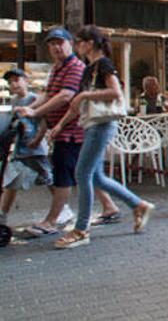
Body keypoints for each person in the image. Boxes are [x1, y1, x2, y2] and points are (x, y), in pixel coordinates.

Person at [51, 26, 155, 249]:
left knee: (82, 173)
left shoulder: (103, 64)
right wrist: (60, 125)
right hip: (92, 124)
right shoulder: (89, 69)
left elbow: (115, 93)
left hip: (102, 124)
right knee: (96, 177)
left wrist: (85, 94)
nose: (77, 46)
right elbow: (78, 103)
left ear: (90, 43)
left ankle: (81, 229)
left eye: (79, 42)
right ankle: (139, 205)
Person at [15, 27, 83, 237]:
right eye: (52, 44)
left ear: (70, 43)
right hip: (60, 129)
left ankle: (52, 221)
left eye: (59, 42)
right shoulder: (57, 68)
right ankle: (118, 207)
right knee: (91, 175)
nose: (55, 47)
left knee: (63, 175)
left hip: (71, 130)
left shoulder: (75, 66)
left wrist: (34, 112)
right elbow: (47, 95)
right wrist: (31, 109)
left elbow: (65, 96)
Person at [0, 68, 51, 228]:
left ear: (26, 81)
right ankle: (3, 216)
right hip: (21, 150)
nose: (13, 84)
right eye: (10, 82)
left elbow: (44, 121)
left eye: (17, 80)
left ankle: (62, 209)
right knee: (11, 182)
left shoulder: (34, 98)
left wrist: (38, 139)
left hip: (35, 149)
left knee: (48, 178)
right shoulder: (15, 101)